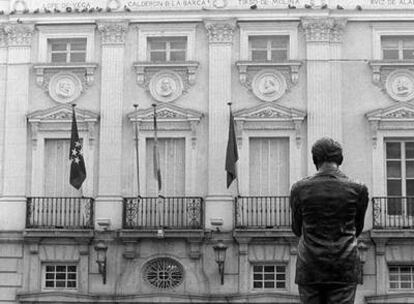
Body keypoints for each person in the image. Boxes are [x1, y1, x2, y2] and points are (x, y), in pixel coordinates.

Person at [290, 137, 369, 304]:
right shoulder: (358, 189)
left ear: (315, 160)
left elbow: (297, 229)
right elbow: (357, 228)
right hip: (344, 266)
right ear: (340, 159)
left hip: (309, 267)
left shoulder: (299, 189)